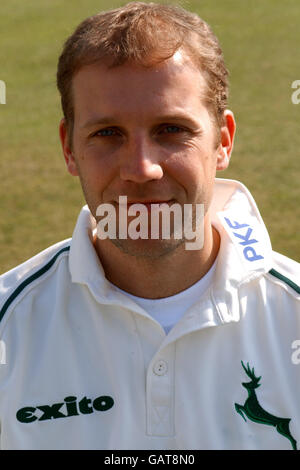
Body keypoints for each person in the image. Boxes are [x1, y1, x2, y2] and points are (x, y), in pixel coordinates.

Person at [0, 2, 299, 451]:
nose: (142, 169)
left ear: (223, 142)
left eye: (171, 129)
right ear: (68, 147)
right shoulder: (10, 327)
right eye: (107, 134)